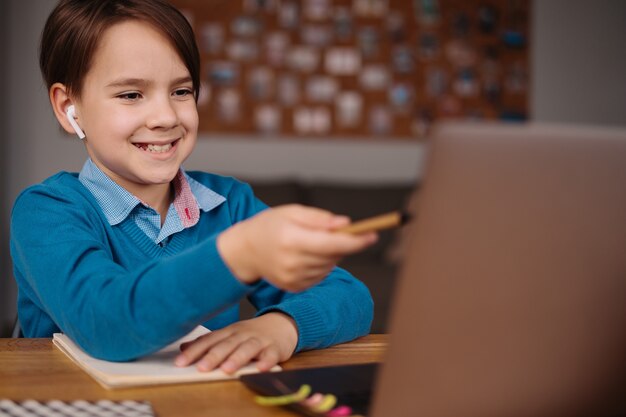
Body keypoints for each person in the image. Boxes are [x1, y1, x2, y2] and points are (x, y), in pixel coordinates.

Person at [10, 0, 376, 374]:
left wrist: (282, 326)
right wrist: (241, 253)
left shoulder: (229, 204)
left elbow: (350, 295)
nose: (166, 117)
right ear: (69, 107)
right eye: (131, 95)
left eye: (181, 92)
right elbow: (106, 323)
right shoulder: (46, 212)